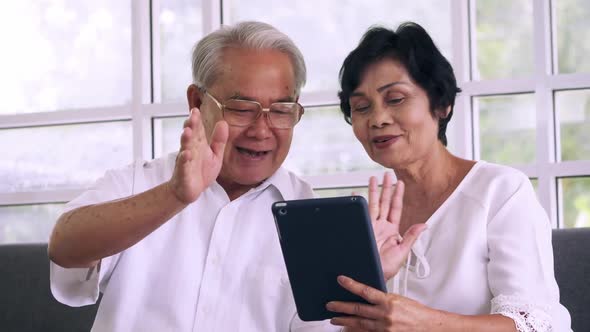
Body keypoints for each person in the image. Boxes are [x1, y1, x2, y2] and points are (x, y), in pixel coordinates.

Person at [47, 21, 342, 331]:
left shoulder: (309, 214)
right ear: (197, 102)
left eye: (281, 110)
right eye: (241, 108)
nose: (261, 131)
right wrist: (174, 195)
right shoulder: (139, 182)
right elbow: (64, 247)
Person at [326, 22, 572, 331]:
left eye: (396, 99)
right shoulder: (370, 217)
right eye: (361, 107)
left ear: (441, 104)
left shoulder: (501, 191)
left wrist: (422, 322)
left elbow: (535, 325)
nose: (377, 119)